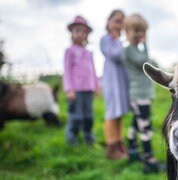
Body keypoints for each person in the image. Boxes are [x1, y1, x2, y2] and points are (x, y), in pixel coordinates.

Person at [123, 13, 159, 173]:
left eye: (142, 31)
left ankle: (132, 152)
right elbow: (144, 62)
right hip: (139, 95)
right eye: (136, 30)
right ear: (127, 31)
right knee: (145, 126)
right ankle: (149, 160)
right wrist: (145, 44)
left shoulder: (134, 49)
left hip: (142, 94)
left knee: (136, 124)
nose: (139, 34)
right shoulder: (129, 50)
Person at [63, 15, 100, 146]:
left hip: (88, 90)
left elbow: (93, 71)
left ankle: (88, 138)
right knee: (76, 116)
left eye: (84, 31)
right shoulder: (69, 51)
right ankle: (72, 139)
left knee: (88, 116)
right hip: (76, 91)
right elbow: (67, 71)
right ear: (72, 33)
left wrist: (96, 86)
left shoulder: (88, 52)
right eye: (77, 30)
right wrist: (69, 89)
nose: (81, 34)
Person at [100, 10, 130, 159]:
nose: (119, 25)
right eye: (116, 21)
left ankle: (119, 143)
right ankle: (111, 147)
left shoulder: (119, 42)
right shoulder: (105, 39)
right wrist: (120, 42)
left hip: (121, 84)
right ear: (109, 21)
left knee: (119, 114)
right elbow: (114, 56)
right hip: (111, 84)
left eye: (122, 22)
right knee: (112, 114)